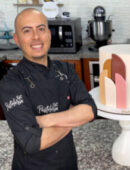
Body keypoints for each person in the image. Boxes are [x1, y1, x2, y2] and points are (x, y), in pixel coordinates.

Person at [0, 8, 97, 170]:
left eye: (41, 29)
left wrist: (45, 120)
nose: (36, 37)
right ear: (17, 39)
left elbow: (90, 111)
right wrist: (73, 116)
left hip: (68, 164)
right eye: (27, 31)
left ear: (49, 34)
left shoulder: (66, 70)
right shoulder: (10, 84)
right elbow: (32, 141)